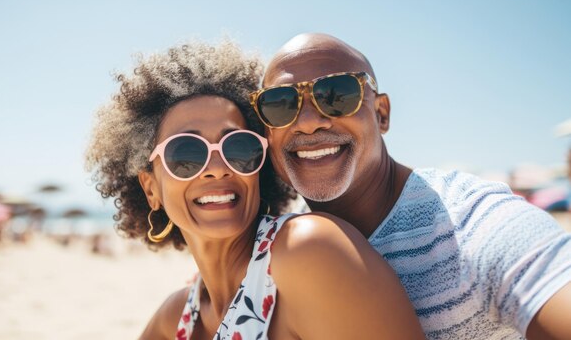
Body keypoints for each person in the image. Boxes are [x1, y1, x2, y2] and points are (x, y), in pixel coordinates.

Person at [85, 40, 425, 339]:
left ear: (259, 166)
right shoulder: (176, 319)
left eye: (239, 149)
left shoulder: (309, 252)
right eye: (186, 154)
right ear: (150, 189)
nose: (217, 169)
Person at [250, 32, 571, 339]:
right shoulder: (270, 247)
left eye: (337, 95)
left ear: (382, 113)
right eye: (280, 104)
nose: (308, 122)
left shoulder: (471, 225)